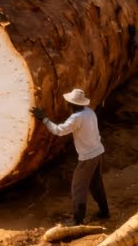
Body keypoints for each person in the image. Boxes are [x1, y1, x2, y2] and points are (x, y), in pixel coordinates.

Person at [31, 88, 109, 226]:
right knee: (96, 184)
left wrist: (44, 119)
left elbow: (58, 131)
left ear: (72, 105)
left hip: (88, 157)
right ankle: (104, 212)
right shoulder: (89, 112)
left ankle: (77, 219)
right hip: (98, 151)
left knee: (78, 186)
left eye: (68, 103)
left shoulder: (76, 118)